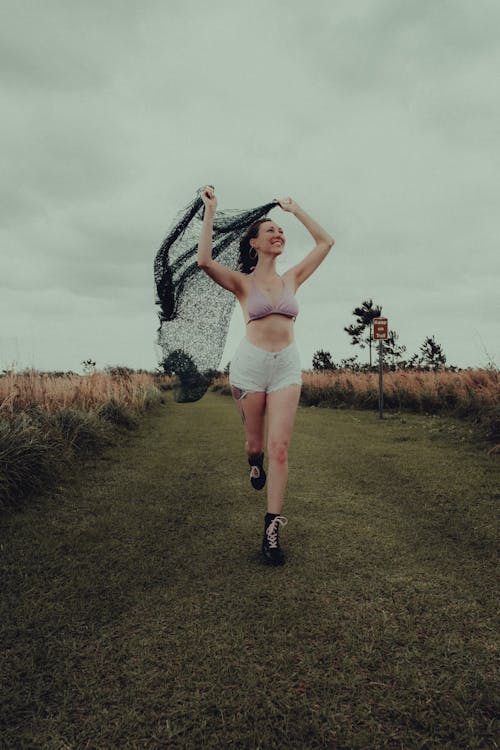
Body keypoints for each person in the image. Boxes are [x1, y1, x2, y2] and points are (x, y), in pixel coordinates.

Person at [197, 186, 334, 565]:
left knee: (280, 448)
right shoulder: (243, 282)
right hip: (250, 368)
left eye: (281, 231)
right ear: (254, 243)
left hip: (287, 366)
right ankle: (252, 462)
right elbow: (205, 261)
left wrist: (295, 210)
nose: (278, 234)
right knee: (255, 446)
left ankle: (271, 530)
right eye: (270, 230)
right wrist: (211, 210)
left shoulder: (293, 278)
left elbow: (326, 241)